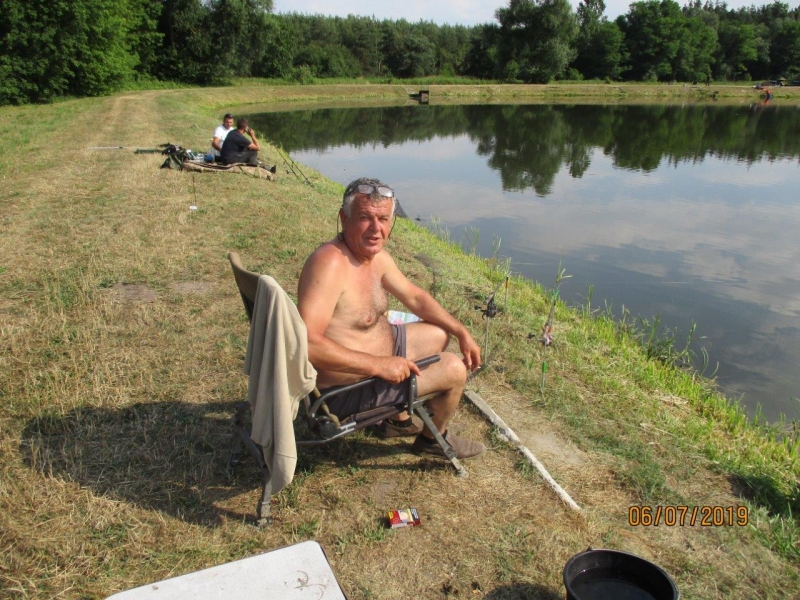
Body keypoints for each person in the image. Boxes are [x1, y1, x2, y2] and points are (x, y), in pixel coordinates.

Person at [297, 178, 485, 459]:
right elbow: (307, 344)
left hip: (377, 358)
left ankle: (397, 421)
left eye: (383, 219)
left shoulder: (373, 256)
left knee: (439, 334)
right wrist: (379, 365)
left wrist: (461, 331)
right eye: (365, 218)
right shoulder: (330, 264)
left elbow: (415, 298)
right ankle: (432, 441)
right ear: (344, 219)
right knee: (455, 369)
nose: (376, 229)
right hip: (345, 389)